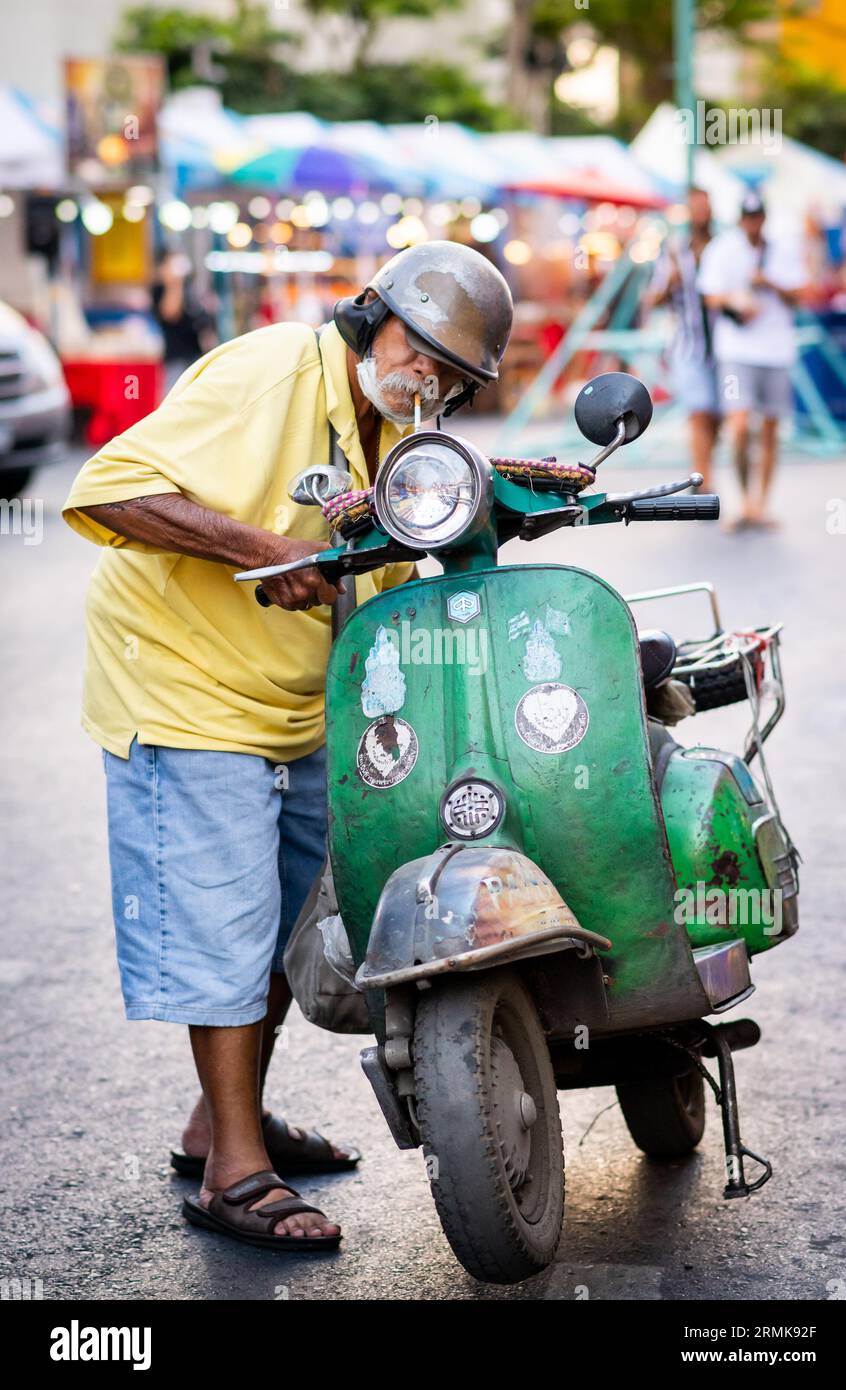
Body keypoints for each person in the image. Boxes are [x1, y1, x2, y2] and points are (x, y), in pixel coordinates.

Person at [62, 241, 514, 1252]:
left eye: (453, 373)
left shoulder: (403, 436)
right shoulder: (269, 369)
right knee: (225, 926)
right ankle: (233, 1170)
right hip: (182, 681)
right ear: (371, 319)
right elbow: (102, 489)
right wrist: (262, 548)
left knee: (285, 916)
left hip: (294, 699)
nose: (427, 378)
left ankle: (220, 1118)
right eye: (418, 349)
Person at [697, 191, 807, 529]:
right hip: (737, 351)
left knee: (771, 428)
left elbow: (801, 294)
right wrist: (737, 305)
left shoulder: (783, 249)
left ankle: (760, 504)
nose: (752, 223)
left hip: (776, 350)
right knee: (740, 425)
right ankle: (744, 500)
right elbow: (710, 295)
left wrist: (768, 283)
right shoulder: (724, 249)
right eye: (748, 217)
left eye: (757, 216)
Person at [644, 185, 719, 490]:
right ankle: (703, 477)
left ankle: (705, 468)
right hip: (689, 346)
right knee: (699, 410)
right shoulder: (675, 250)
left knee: (718, 415)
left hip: (724, 346)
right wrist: (670, 282)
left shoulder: (722, 246)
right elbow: (652, 298)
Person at [151, 250, 218, 392]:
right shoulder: (159, 290)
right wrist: (175, 283)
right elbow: (170, 313)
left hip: (196, 354)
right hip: (176, 358)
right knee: (174, 399)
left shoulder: (190, 289)